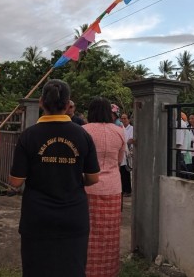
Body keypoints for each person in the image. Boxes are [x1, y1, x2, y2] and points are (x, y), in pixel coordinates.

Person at [9, 79, 100, 277]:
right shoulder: (82, 135)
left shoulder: (28, 136)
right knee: (72, 269)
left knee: (36, 269)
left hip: (37, 217)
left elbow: (15, 181)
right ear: (68, 106)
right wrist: (73, 178)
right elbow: (93, 178)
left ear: (41, 102)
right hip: (73, 215)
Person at [83, 97, 125, 277]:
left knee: (87, 232)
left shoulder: (84, 131)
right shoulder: (119, 131)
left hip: (88, 187)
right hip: (114, 188)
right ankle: (108, 271)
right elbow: (120, 160)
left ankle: (86, 269)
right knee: (110, 234)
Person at [175, 111, 193, 179]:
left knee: (181, 174)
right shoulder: (180, 123)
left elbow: (178, 142)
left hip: (179, 151)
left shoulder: (180, 123)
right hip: (180, 151)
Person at [120, 113, 133, 196]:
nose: (123, 120)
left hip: (128, 151)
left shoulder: (131, 128)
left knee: (126, 172)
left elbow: (131, 140)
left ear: (128, 119)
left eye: (125, 118)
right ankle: (123, 189)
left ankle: (128, 190)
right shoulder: (120, 128)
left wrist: (124, 143)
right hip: (122, 151)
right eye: (122, 118)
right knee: (121, 172)